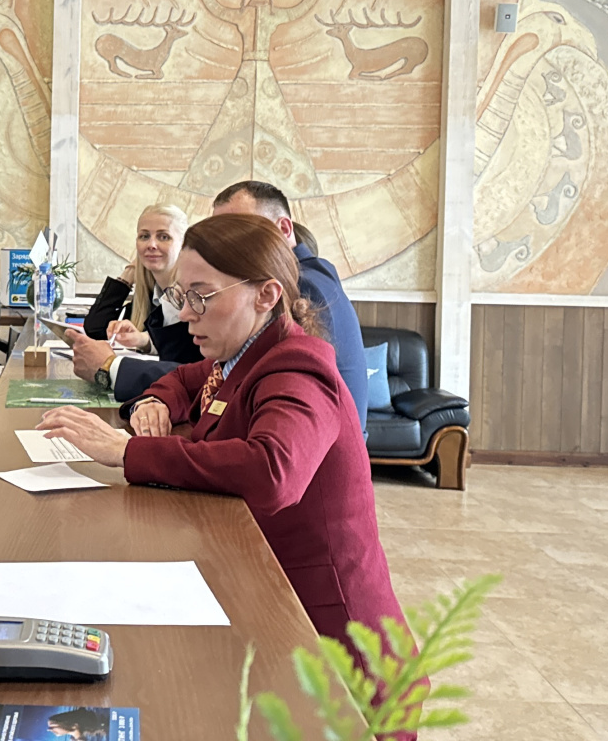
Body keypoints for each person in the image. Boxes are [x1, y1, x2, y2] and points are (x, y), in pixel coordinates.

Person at [36, 214, 406, 663]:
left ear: (266, 295)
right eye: (182, 295)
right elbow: (184, 380)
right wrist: (156, 401)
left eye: (202, 296)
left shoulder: (298, 367)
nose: (186, 313)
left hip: (332, 640)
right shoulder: (241, 355)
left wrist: (128, 451)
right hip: (264, 598)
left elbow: (272, 471)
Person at [210, 180, 370, 432]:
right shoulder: (315, 272)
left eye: (242, 232)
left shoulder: (300, 286)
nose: (227, 248)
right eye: (220, 236)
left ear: (284, 228)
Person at [81, 204, 200, 362]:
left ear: (183, 245)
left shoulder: (193, 296)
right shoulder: (151, 296)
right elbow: (95, 330)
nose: (151, 245)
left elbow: (182, 357)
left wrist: (145, 341)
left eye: (164, 237)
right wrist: (127, 276)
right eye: (144, 236)